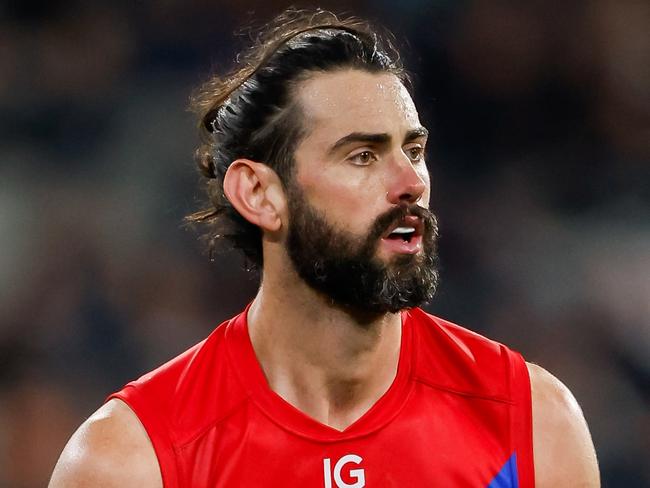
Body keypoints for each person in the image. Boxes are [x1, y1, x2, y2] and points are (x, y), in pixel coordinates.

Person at [49, 9, 599, 487]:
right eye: (362, 155)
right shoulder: (131, 459)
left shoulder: (531, 424)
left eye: (414, 149)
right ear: (260, 193)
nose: (410, 182)